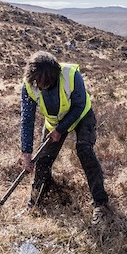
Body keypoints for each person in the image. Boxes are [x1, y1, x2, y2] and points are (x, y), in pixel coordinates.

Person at [19, 51, 109, 223]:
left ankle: (101, 203)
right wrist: (26, 152)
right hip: (54, 122)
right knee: (43, 159)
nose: (42, 86)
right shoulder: (29, 84)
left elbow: (79, 105)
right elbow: (27, 119)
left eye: (46, 83)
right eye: (39, 82)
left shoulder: (71, 75)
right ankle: (37, 200)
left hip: (81, 116)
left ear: (54, 75)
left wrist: (61, 129)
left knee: (84, 151)